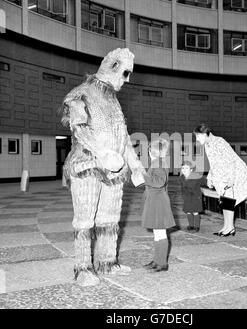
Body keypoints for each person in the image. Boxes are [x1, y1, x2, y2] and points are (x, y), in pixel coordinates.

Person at [60, 48, 145, 286]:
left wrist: (135, 163)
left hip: (114, 170)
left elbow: (124, 135)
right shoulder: (80, 94)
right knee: (85, 220)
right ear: (113, 66)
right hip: (88, 165)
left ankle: (107, 262)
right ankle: (83, 268)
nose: (127, 80)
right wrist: (103, 153)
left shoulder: (114, 101)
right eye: (126, 73)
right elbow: (79, 129)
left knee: (109, 219)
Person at [194, 123, 247, 237]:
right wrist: (210, 178)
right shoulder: (208, 145)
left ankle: (230, 227)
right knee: (224, 199)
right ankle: (226, 226)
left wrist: (231, 178)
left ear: (205, 134)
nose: (197, 139)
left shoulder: (219, 142)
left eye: (198, 136)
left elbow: (231, 160)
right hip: (222, 173)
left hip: (234, 171)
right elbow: (213, 163)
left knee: (228, 200)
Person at [141, 138, 176, 272]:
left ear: (152, 151)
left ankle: (162, 263)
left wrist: (144, 176)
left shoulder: (159, 164)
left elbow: (159, 182)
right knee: (157, 233)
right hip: (155, 200)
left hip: (158, 202)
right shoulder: (158, 162)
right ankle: (157, 260)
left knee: (161, 233)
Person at [180, 161, 207, 233]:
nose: (184, 169)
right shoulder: (182, 177)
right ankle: (191, 225)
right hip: (187, 197)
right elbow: (182, 187)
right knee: (188, 211)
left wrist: (210, 183)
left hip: (195, 197)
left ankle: (197, 226)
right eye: (183, 168)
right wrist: (183, 195)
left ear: (191, 170)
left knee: (195, 212)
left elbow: (205, 181)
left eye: (186, 168)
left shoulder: (196, 176)